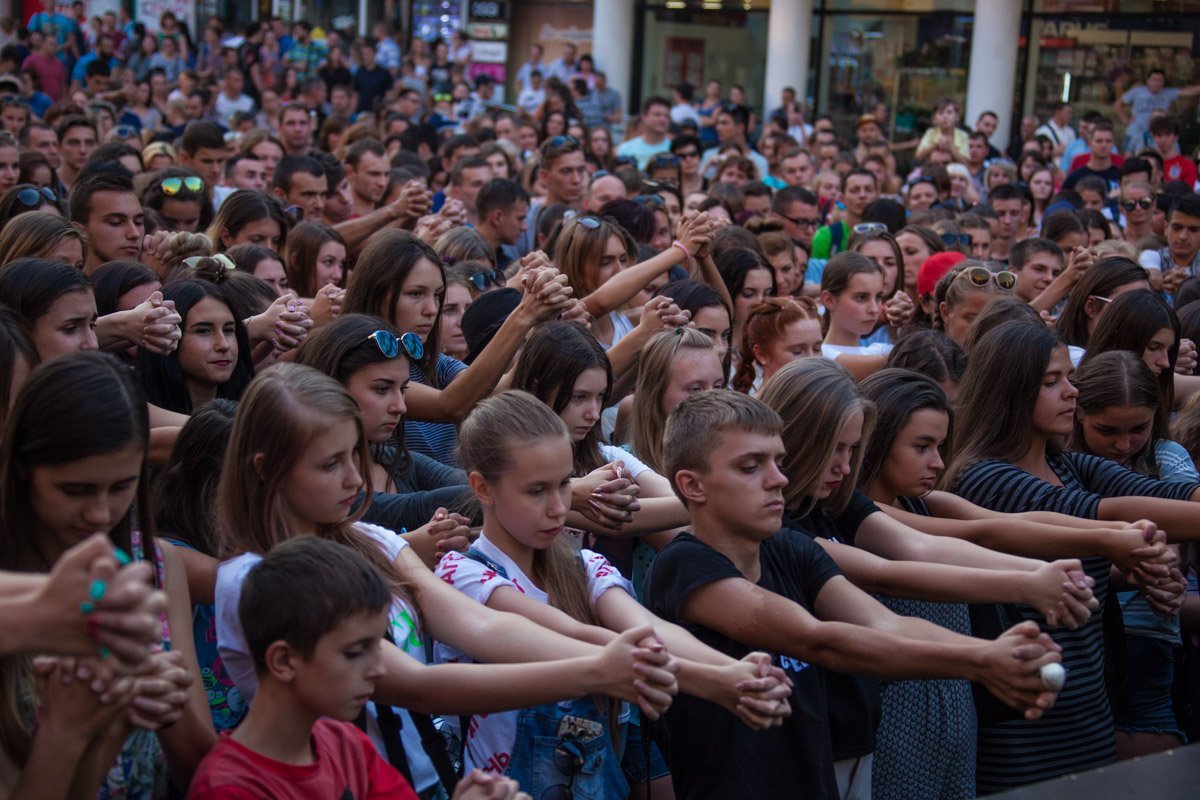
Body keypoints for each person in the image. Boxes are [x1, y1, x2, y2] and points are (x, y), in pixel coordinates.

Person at [214, 363, 681, 797]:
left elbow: (482, 626)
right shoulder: (253, 577)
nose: (356, 479)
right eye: (330, 464)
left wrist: (703, 674)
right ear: (264, 468)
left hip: (415, 778)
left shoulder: (370, 540)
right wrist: (600, 670)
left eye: (355, 456)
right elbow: (416, 685)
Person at [644, 388, 1064, 800]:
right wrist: (982, 660)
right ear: (692, 485)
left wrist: (994, 651)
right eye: (751, 466)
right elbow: (818, 640)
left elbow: (887, 623)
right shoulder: (684, 565)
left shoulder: (789, 546)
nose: (779, 480)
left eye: (779, 461)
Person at [437, 390, 791, 794]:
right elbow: (569, 637)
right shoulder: (460, 573)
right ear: (482, 488)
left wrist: (731, 672)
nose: (559, 507)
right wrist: (709, 679)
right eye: (537, 491)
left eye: (565, 484)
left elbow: (647, 626)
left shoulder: (583, 565)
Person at [945, 320, 1200, 791]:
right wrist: (1135, 553)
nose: (1071, 392)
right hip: (1024, 724)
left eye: (1068, 377)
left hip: (1088, 712)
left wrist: (1135, 571)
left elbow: (1169, 494)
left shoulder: (1065, 463)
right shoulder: (984, 479)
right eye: (1051, 382)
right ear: (1009, 390)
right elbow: (1105, 516)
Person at [0, 351, 215, 796]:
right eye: (74, 490)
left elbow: (198, 764)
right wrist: (70, 726)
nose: (100, 513)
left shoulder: (153, 564)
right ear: (23, 469)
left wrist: (155, 702)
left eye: (121, 486)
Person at [189, 536, 527, 800]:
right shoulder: (228, 788)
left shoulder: (345, 743)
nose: (378, 670)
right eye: (355, 652)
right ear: (282, 660)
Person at [732, 296, 823, 394]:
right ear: (761, 354)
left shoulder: (827, 402)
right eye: (797, 351)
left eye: (817, 349)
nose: (812, 359)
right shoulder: (754, 408)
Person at [1116, 69, 1200, 154]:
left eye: (1160, 80)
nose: (1156, 83)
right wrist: (1124, 119)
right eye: (1154, 80)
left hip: (1159, 130)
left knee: (1172, 147)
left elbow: (1190, 91)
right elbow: (1118, 104)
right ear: (1148, 81)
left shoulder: (1168, 93)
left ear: (1163, 82)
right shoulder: (1137, 91)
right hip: (1138, 128)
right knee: (1134, 148)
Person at [810, 169, 879, 260]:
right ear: (842, 198)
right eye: (854, 190)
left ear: (877, 195)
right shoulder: (825, 236)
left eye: (869, 190)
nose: (862, 195)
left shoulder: (888, 232)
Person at [1140, 192, 1200, 294]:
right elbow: (1152, 276)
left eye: (1193, 230)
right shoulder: (1151, 255)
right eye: (1177, 228)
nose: (1183, 236)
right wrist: (1163, 281)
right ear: (1166, 228)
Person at [616, 96, 672, 170]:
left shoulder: (674, 149)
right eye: (657, 115)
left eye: (666, 116)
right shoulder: (626, 149)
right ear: (644, 117)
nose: (662, 119)